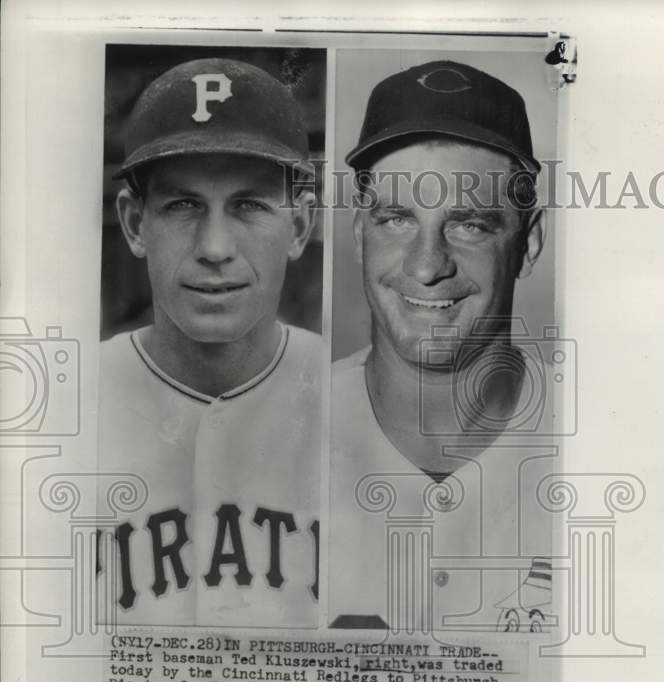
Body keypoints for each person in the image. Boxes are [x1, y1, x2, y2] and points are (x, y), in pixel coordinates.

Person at [329, 59, 557, 634]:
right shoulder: (278, 427)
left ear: (528, 243)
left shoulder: (611, 442)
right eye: (396, 220)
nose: (427, 266)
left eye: (470, 225)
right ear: (360, 232)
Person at [98, 57, 321, 627]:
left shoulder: (359, 399)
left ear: (299, 227)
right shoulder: (64, 406)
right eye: (182, 205)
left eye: (249, 205)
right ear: (133, 225)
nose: (215, 246)